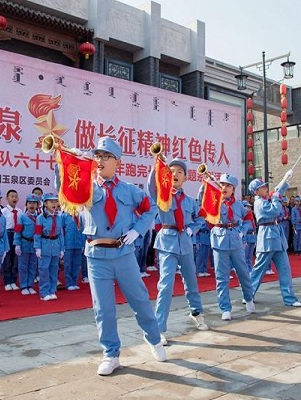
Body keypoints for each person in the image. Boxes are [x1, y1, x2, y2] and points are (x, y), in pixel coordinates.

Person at [65, 137, 165, 376]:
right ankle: (111, 354)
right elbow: (65, 187)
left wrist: (136, 230)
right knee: (103, 309)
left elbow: (150, 208)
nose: (100, 160)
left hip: (123, 253)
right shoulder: (85, 186)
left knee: (139, 299)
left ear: (117, 161)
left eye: (106, 156)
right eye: (97, 156)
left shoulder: (129, 190)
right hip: (96, 255)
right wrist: (69, 162)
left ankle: (154, 338)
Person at [148, 158, 209, 342]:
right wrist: (156, 165)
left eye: (179, 172)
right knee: (165, 286)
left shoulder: (190, 201)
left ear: (185, 177)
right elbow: (152, 186)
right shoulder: (162, 195)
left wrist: (192, 229)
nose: (175, 174)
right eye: (171, 171)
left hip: (185, 242)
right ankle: (159, 328)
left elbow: (201, 216)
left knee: (191, 281)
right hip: (167, 243)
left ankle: (196, 313)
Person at [201, 173, 255, 321]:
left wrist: (242, 232)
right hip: (219, 241)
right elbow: (203, 201)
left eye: (228, 186)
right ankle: (225, 308)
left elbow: (248, 218)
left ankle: (249, 298)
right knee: (222, 277)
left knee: (243, 273)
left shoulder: (239, 205)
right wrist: (205, 184)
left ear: (233, 189)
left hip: (236, 241)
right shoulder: (214, 202)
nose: (225, 187)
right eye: (223, 184)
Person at [249, 172, 301, 307]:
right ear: (256, 191)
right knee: (258, 270)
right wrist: (277, 198)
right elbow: (275, 210)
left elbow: (277, 191)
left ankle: (290, 298)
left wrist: (285, 179)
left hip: (277, 237)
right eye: (262, 187)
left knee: (285, 269)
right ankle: (248, 295)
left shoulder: (266, 199)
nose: (266, 188)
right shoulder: (259, 202)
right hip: (267, 237)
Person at [34, 193, 65, 301]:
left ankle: (52, 290)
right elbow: (37, 234)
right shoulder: (40, 218)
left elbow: (60, 234)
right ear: (45, 204)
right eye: (51, 202)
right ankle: (44, 292)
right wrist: (37, 247)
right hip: (45, 245)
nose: (54, 204)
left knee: (54, 269)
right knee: (44, 270)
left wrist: (62, 248)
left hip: (55, 245)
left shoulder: (58, 217)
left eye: (55, 201)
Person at [13, 194, 40, 295]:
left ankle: (30, 285)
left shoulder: (39, 217)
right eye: (30, 203)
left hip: (34, 245)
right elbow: (17, 231)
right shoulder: (22, 217)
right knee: (23, 266)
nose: (32, 205)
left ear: (37, 205)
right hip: (24, 243)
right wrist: (17, 244)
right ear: (26, 205)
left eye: (34, 203)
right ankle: (24, 286)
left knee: (32, 266)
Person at [1, 189, 22, 291]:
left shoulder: (20, 212)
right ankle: (7, 281)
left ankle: (13, 280)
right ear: (7, 198)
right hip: (7, 235)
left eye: (15, 196)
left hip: (17, 235)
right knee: (7, 259)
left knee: (16, 259)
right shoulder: (3, 212)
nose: (14, 198)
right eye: (12, 196)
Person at [62, 210, 86, 290]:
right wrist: (63, 245)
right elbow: (61, 231)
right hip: (68, 243)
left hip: (78, 243)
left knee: (76, 263)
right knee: (68, 264)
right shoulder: (64, 216)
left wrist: (82, 243)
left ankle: (74, 282)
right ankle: (69, 283)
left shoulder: (80, 216)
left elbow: (83, 230)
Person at [242, 200, 257, 271]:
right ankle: (245, 270)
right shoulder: (243, 219)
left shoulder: (251, 219)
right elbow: (242, 232)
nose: (249, 209)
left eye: (250, 207)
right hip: (247, 237)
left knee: (250, 256)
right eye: (247, 207)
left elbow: (254, 229)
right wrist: (244, 241)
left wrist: (255, 239)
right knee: (245, 255)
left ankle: (250, 269)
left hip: (252, 237)